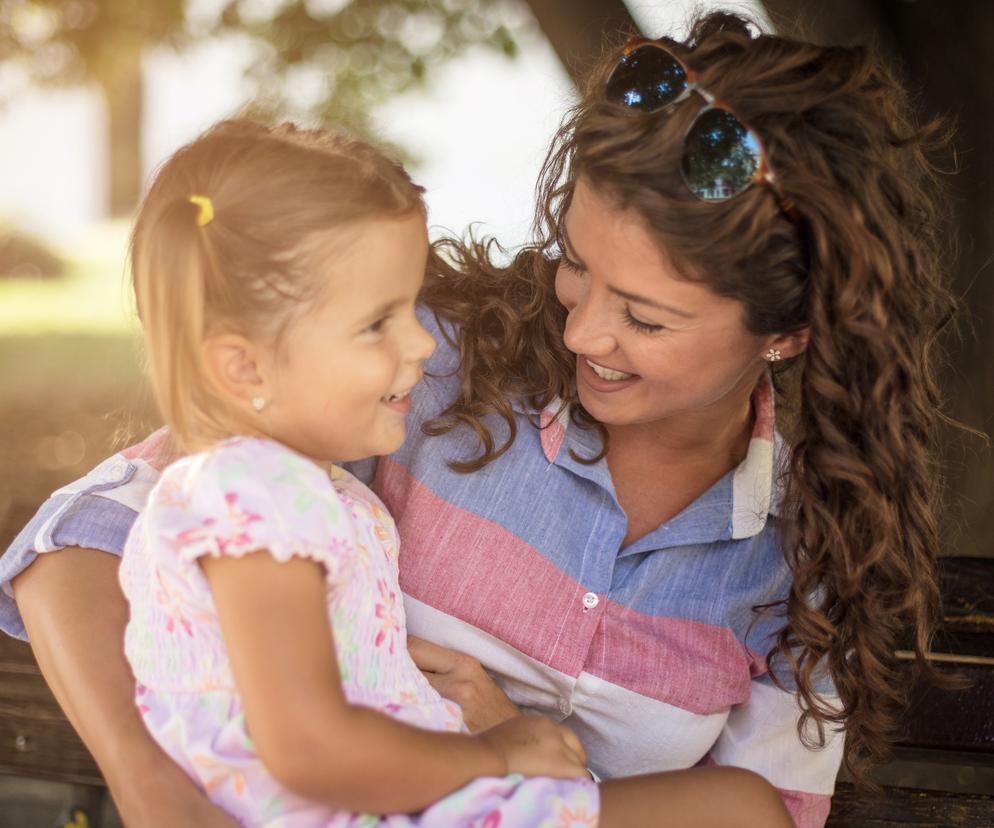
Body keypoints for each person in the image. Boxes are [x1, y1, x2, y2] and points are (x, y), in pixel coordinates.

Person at [0, 12, 954, 828]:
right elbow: (89, 532)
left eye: (646, 316)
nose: (582, 329)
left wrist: (510, 766)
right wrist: (158, 789)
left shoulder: (811, 540)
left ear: (786, 334)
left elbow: (760, 810)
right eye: (576, 263)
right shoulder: (423, 366)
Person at [47, 117, 794, 827]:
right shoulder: (259, 494)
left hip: (419, 796)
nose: (424, 345)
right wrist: (489, 754)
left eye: (647, 317)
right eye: (380, 323)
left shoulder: (301, 491)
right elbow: (308, 747)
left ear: (785, 334)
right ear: (243, 366)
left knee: (749, 809)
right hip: (399, 804)